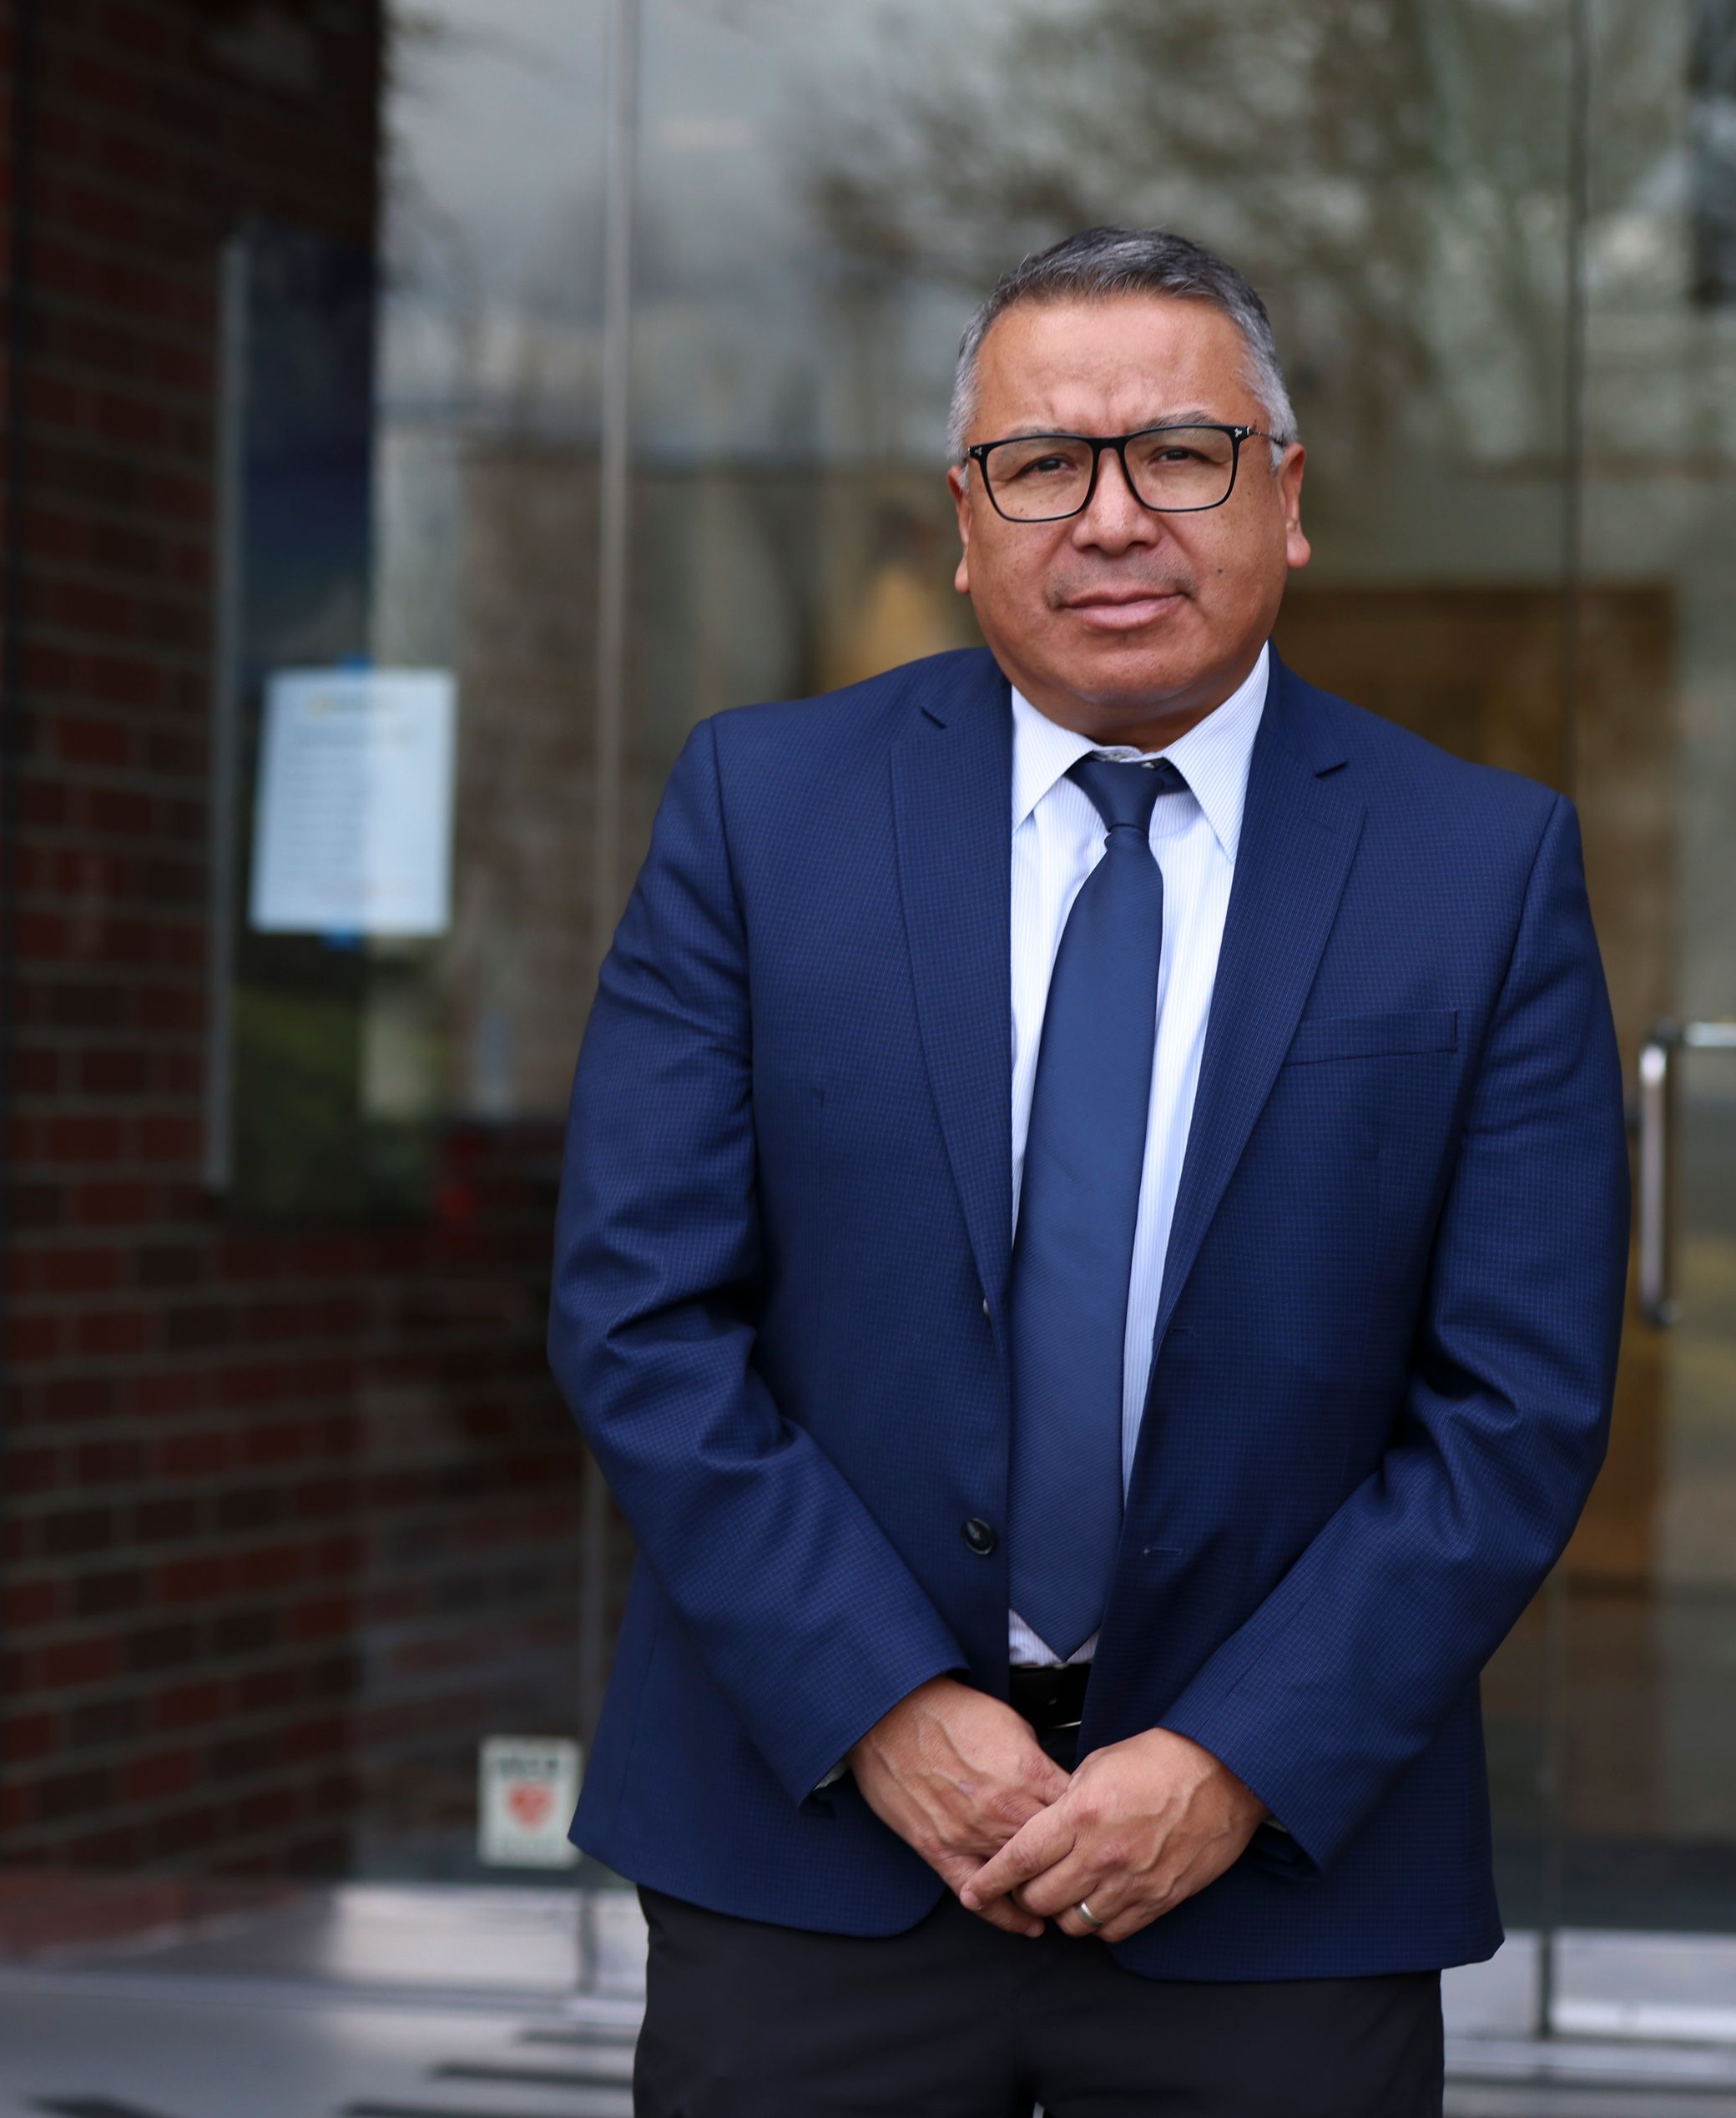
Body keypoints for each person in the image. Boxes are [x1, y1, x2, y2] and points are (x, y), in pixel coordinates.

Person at [549, 226, 1627, 2117]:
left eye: (1181, 453)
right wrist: (882, 1708)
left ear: (1288, 500)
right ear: (964, 523)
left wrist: (1232, 1760)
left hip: (1276, 1880)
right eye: (1043, 463)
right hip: (816, 1848)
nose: (1112, 518)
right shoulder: (760, 812)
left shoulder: (1485, 867)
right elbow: (640, 1315)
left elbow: (1516, 1403)